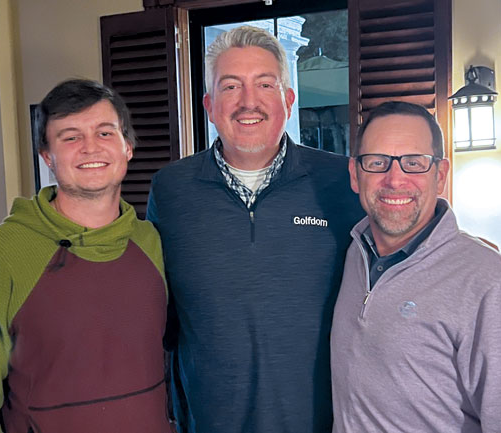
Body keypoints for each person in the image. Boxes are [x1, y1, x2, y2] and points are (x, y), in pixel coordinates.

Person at [147, 26, 365, 433]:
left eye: (265, 84)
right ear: (210, 105)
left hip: (325, 422)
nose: (249, 102)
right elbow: (157, 310)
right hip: (209, 422)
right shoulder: (171, 190)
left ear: (288, 99)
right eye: (231, 87)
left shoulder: (341, 182)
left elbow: (391, 261)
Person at [0, 79, 173, 433]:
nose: (89, 148)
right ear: (47, 156)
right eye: (70, 137)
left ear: (127, 147)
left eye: (104, 133)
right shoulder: (1, 253)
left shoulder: (151, 243)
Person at [331, 101, 501, 433]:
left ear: (440, 176)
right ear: (355, 175)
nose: (395, 179)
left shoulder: (494, 286)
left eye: (414, 163)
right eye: (377, 162)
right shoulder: (354, 252)